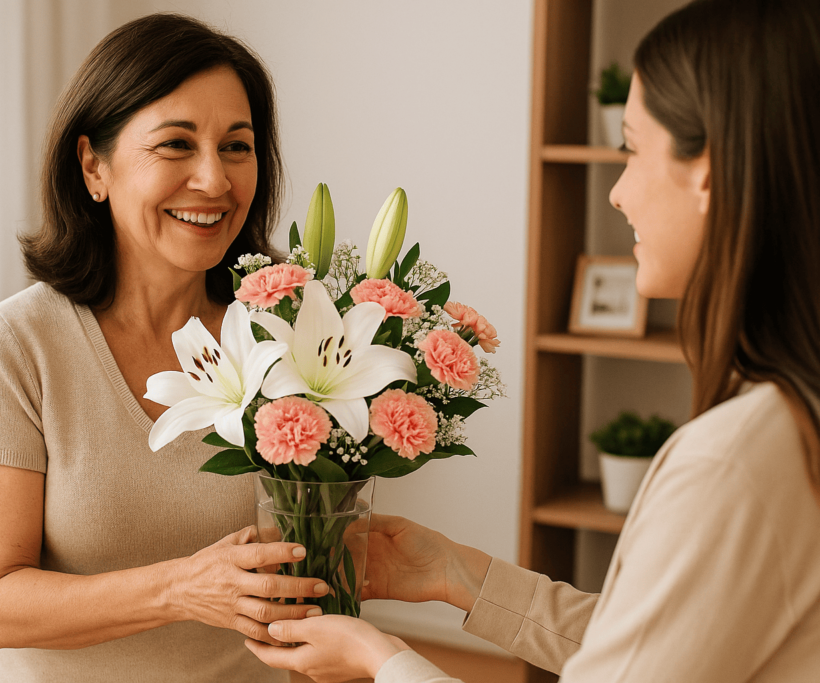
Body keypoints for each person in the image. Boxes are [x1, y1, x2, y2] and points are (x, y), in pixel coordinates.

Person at [247, 0, 820, 680]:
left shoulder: (733, 462)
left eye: (632, 151)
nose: (616, 193)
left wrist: (381, 657)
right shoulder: (786, 419)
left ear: (709, 168)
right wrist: (459, 574)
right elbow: (649, 649)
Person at [0, 13, 327, 683]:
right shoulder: (12, 347)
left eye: (237, 146)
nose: (214, 179)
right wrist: (182, 587)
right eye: (177, 144)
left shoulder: (288, 334)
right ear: (94, 165)